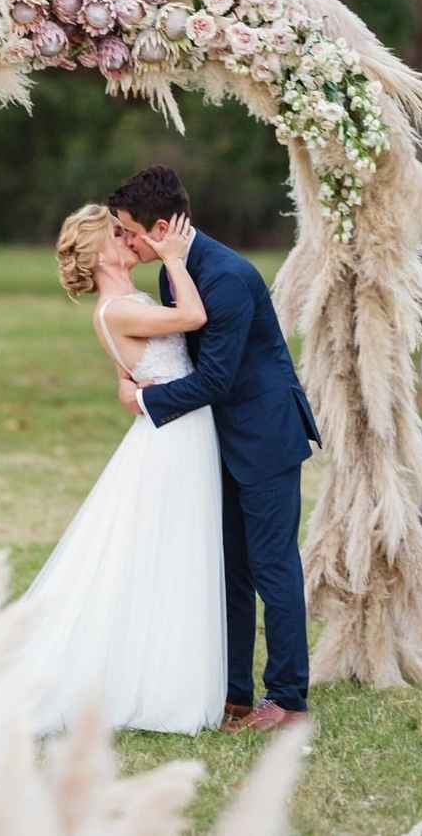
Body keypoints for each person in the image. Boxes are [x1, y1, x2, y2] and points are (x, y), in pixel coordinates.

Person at [110, 166, 322, 733]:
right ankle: (233, 695)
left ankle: (288, 701)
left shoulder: (226, 276)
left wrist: (145, 402)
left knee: (271, 567)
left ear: (159, 228)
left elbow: (217, 379)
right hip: (217, 442)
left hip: (264, 435)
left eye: (129, 232)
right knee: (228, 569)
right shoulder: (173, 275)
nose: (125, 242)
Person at [17, 203, 227, 737]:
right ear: (102, 251)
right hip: (173, 437)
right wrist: (177, 259)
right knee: (170, 551)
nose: (130, 238)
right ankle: (158, 686)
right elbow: (193, 319)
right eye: (119, 233)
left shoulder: (126, 303)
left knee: (168, 553)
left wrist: (129, 390)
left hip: (177, 429)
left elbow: (126, 378)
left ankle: (163, 672)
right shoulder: (117, 309)